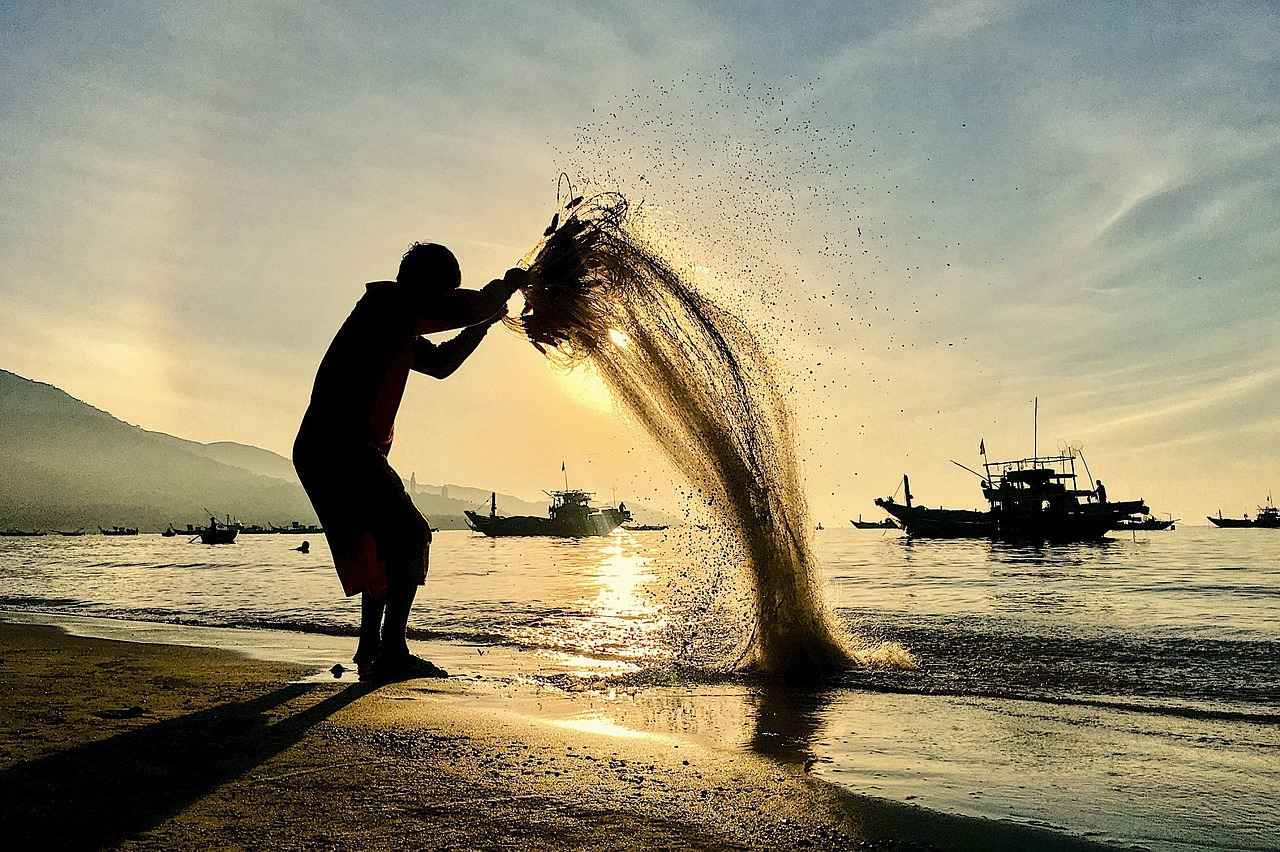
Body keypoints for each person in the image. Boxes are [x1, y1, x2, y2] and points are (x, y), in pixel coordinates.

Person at [293, 243, 524, 682]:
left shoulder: (393, 323)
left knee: (380, 544)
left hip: (329, 449)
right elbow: (466, 306)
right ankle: (393, 650)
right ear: (423, 283)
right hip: (340, 448)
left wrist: (485, 324)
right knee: (411, 534)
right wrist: (504, 289)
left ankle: (370, 650)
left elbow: (440, 364)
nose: (442, 302)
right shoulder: (386, 304)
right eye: (442, 292)